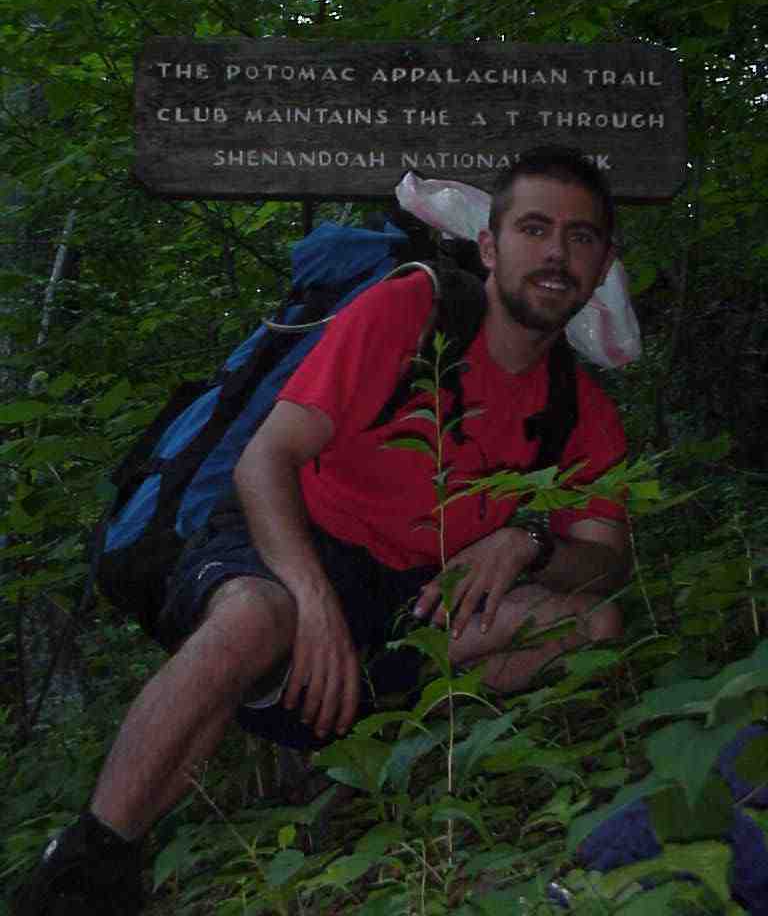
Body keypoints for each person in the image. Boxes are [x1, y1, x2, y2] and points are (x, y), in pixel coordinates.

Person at [14, 147, 631, 915]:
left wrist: (528, 542)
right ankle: (85, 869)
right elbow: (263, 460)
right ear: (489, 245)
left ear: (601, 264)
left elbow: (606, 564)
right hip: (289, 539)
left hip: (413, 603)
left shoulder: (582, 411)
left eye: (580, 237)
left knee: (590, 624)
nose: (556, 254)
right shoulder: (413, 311)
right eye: (534, 229)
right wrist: (312, 603)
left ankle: (392, 746)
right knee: (254, 614)